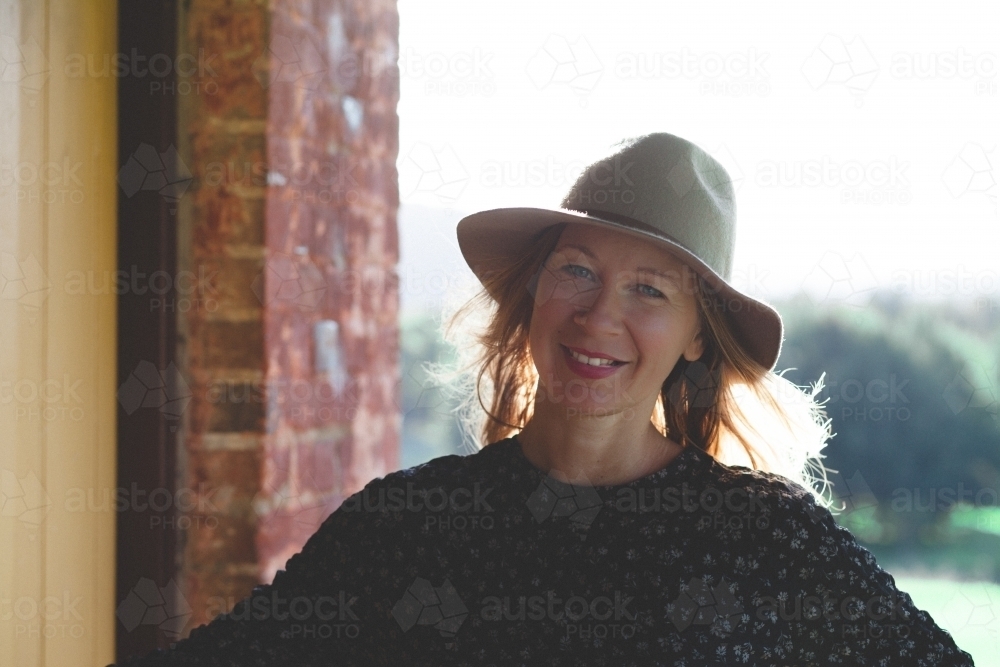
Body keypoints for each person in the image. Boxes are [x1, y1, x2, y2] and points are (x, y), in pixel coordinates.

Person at [112, 133, 975, 666]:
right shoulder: (407, 523)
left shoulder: (768, 541)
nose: (599, 315)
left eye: (648, 290)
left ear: (697, 336)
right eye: (578, 271)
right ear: (532, 293)